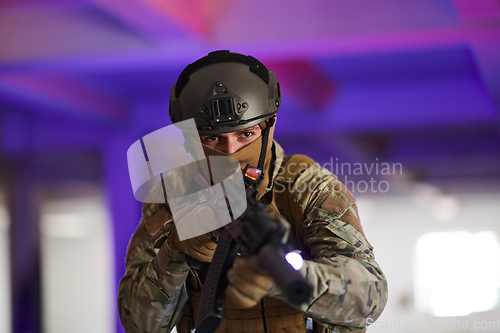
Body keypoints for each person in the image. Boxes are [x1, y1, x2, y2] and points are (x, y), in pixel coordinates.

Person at [118, 50, 388, 333]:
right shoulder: (173, 196)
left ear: (268, 127)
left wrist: (289, 278)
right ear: (190, 142)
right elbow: (138, 325)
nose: (231, 151)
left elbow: (370, 298)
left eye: (246, 134)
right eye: (213, 138)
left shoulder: (309, 188)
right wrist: (175, 251)